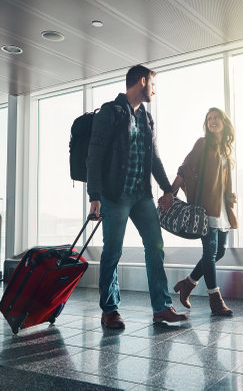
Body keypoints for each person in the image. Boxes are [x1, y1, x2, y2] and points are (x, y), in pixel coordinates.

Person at [86, 64, 188, 329]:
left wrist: (167, 189)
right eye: (153, 84)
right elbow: (94, 156)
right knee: (113, 251)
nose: (155, 89)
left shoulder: (146, 118)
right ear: (142, 81)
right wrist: (94, 195)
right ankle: (110, 310)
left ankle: (161, 307)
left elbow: (154, 159)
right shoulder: (111, 112)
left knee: (155, 246)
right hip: (114, 195)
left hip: (142, 195)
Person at [161, 107, 237, 316]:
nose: (212, 121)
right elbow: (185, 168)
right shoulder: (202, 144)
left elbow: (221, 181)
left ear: (224, 122)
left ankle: (188, 283)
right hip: (206, 208)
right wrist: (170, 192)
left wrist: (230, 196)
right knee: (210, 253)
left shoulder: (225, 150)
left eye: (216, 118)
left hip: (222, 208)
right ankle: (215, 299)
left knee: (219, 251)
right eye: (209, 118)